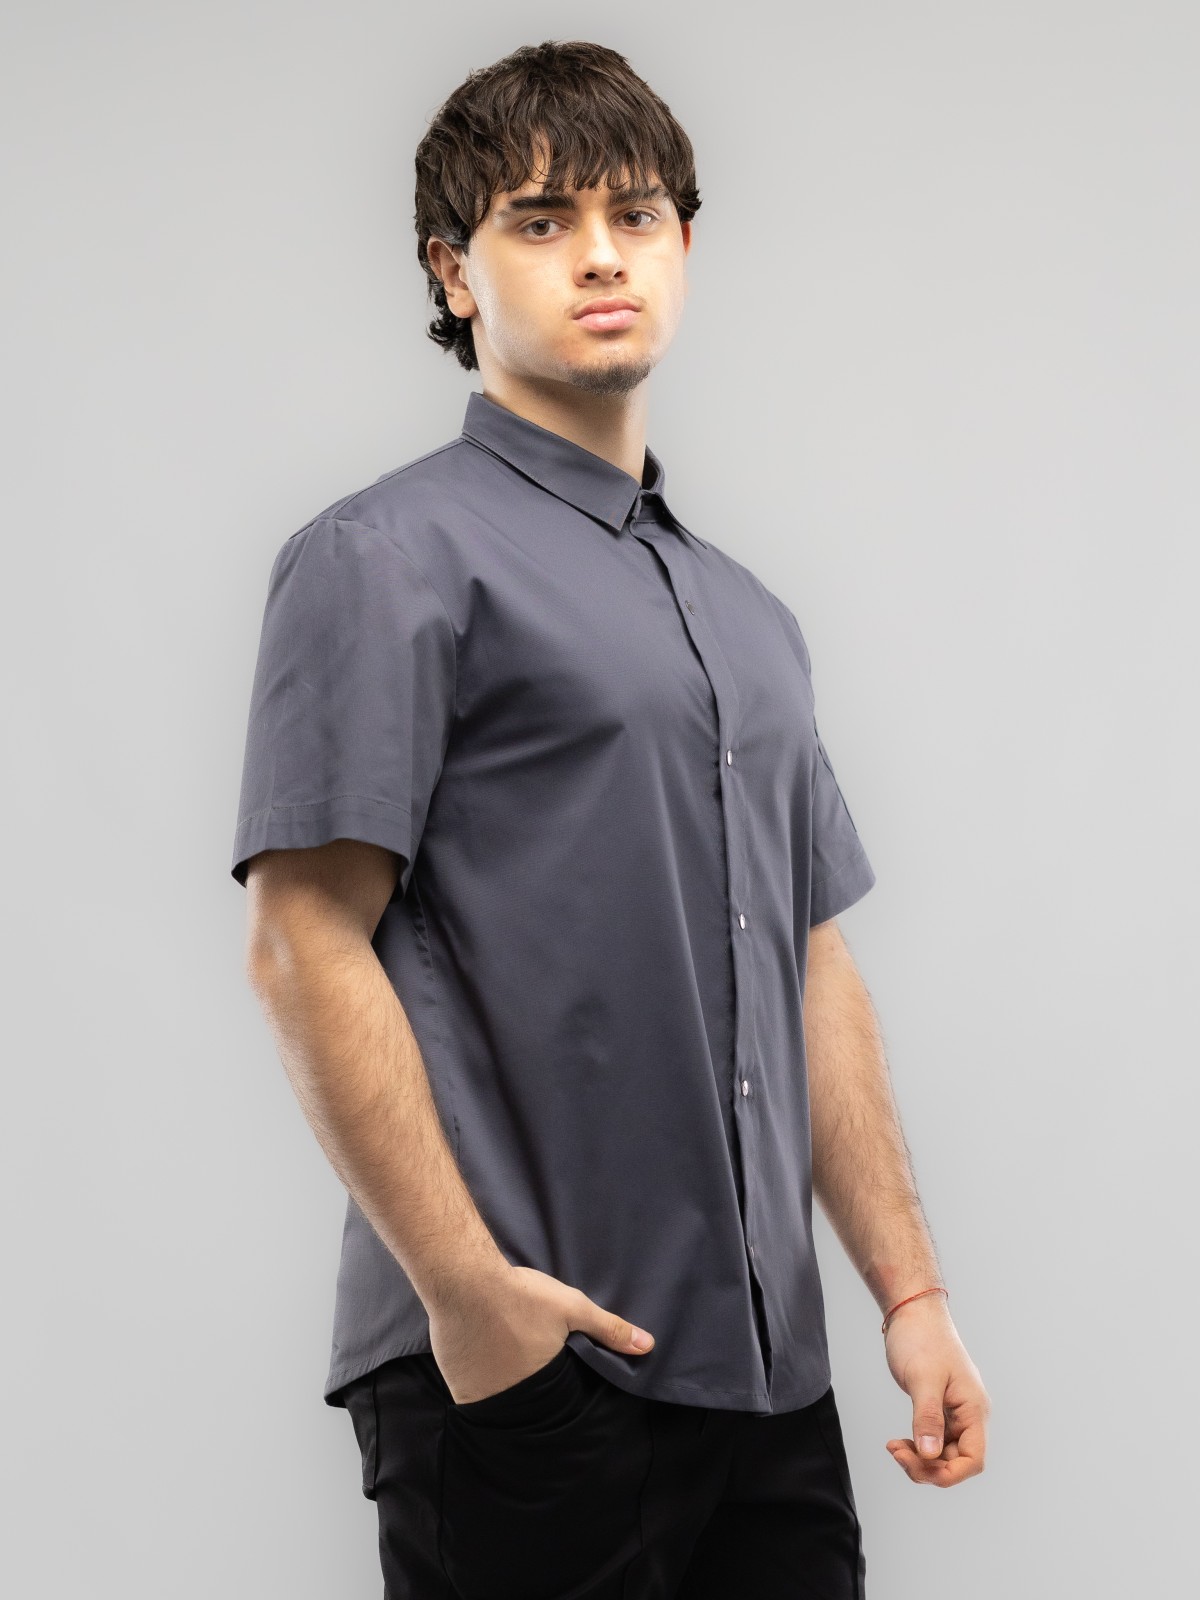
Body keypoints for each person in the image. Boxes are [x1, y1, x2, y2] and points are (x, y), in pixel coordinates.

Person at [230, 37, 990, 1600]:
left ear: (684, 247)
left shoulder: (752, 616)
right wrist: (471, 1301)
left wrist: (909, 1294)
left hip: (769, 1378)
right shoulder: (384, 560)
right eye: (540, 220)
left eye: (635, 216)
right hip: (533, 1372)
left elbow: (809, 961)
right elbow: (303, 943)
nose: (599, 256)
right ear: (453, 272)